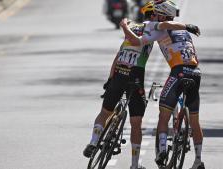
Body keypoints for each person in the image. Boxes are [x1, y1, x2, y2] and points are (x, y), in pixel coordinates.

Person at [83, 2, 199, 169]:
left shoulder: (130, 23)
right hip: (136, 73)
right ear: (153, 15)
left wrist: (110, 78)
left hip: (119, 70)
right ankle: (135, 165)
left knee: (105, 112)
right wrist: (187, 26)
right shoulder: (154, 27)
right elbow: (161, 27)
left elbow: (118, 54)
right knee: (136, 122)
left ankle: (94, 142)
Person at [119, 0, 205, 169]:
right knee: (195, 120)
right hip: (196, 73)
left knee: (163, 115)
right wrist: (186, 27)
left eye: (157, 13)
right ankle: (198, 160)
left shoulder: (159, 26)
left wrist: (185, 25)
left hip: (178, 73)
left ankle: (163, 152)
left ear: (162, 15)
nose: (154, 16)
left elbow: (163, 24)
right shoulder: (184, 33)